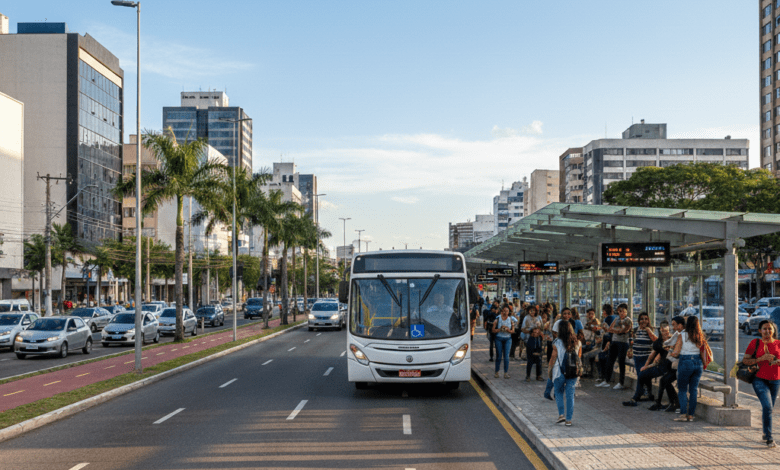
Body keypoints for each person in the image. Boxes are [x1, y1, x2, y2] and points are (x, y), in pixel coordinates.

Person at [741, 320, 780, 448]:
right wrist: (761, 359)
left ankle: (764, 433)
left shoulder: (779, 344)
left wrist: (777, 362)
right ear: (759, 331)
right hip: (759, 379)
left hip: (775, 380)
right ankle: (769, 438)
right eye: (764, 329)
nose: (767, 331)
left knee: (768, 409)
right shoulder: (755, 343)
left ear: (773, 330)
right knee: (767, 406)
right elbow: (745, 361)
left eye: (770, 329)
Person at [669, 315, 707, 422]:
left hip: (685, 362)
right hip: (698, 363)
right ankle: (691, 415)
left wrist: (671, 352)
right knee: (693, 390)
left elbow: (676, 352)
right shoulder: (700, 336)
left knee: (682, 389)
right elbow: (703, 353)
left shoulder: (682, 335)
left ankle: (683, 415)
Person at [624, 321, 668, 407]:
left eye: (666, 331)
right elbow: (652, 355)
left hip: (667, 367)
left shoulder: (671, 340)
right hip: (660, 366)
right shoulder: (659, 342)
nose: (665, 333)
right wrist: (646, 366)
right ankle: (638, 397)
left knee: (649, 376)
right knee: (642, 373)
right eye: (662, 331)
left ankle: (640, 396)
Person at [549, 320, 580, 426]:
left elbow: (553, 358)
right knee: (570, 395)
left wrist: (549, 371)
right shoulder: (576, 342)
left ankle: (561, 414)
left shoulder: (557, 342)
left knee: (558, 392)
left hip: (559, 372)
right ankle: (569, 420)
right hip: (572, 371)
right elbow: (578, 358)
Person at [603, 303, 632, 390]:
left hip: (623, 343)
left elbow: (624, 330)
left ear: (626, 312)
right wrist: (617, 330)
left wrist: (617, 330)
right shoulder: (616, 319)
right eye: (620, 311)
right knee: (610, 360)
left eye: (623, 311)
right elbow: (610, 329)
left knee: (621, 362)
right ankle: (606, 380)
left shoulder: (628, 320)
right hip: (614, 341)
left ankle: (621, 382)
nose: (621, 313)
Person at [630, 312, 657, 398]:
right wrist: (630, 349)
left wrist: (649, 331)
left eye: (646, 319)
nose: (644, 321)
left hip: (647, 357)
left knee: (643, 375)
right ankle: (647, 393)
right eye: (642, 319)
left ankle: (639, 394)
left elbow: (656, 341)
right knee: (640, 375)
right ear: (638, 321)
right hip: (637, 356)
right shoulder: (635, 330)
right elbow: (631, 341)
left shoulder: (650, 330)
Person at [492, 305, 517, 379]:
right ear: (501, 311)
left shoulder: (511, 319)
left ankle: (506, 373)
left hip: (508, 339)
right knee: (499, 356)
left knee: (506, 357)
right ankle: (496, 372)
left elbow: (513, 331)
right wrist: (500, 329)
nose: (505, 313)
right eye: (504, 311)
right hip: (498, 338)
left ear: (509, 312)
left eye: (507, 311)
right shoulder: (497, 319)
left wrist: (508, 330)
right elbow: (493, 330)